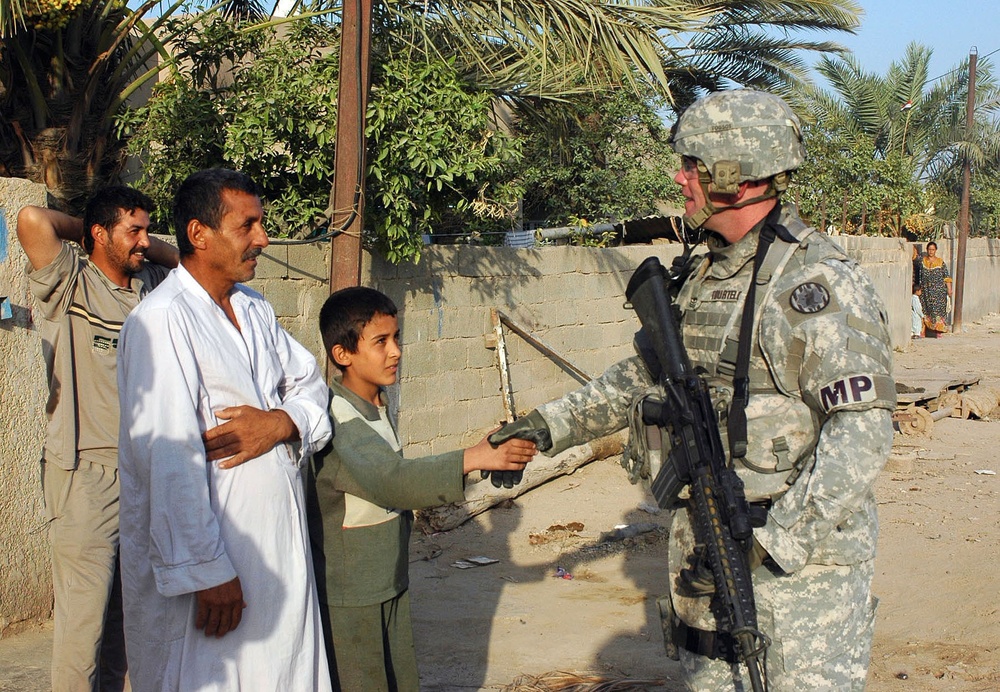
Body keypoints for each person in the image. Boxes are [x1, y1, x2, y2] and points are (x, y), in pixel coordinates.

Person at [491, 89, 896, 691]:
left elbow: (862, 431)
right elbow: (645, 375)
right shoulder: (700, 275)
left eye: (692, 166)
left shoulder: (815, 283)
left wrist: (775, 540)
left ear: (732, 174)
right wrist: (547, 425)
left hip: (799, 572)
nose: (680, 178)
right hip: (705, 547)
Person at [116, 169, 333, 690]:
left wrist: (282, 421)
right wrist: (207, 570)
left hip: (278, 547)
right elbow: (165, 457)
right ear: (199, 234)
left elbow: (311, 386)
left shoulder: (254, 307)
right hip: (217, 570)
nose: (263, 238)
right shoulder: (162, 320)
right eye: (248, 225)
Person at [307, 286, 537, 692]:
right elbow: (392, 481)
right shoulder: (336, 416)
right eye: (380, 342)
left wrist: (485, 456)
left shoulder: (375, 403)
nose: (395, 351)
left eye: (396, 338)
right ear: (342, 354)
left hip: (386, 578)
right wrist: (476, 457)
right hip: (351, 593)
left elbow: (399, 475)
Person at [16, 187, 179, 691]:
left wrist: (139, 243)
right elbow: (31, 219)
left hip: (141, 474)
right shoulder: (71, 283)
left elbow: (185, 258)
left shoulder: (149, 285)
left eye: (147, 230)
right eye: (134, 230)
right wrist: (91, 226)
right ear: (99, 234)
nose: (144, 241)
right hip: (85, 475)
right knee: (81, 630)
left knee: (124, 629)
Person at [919, 241, 953, 337]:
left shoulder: (940, 262)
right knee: (925, 309)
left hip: (938, 292)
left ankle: (938, 332)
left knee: (938, 311)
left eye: (933, 250)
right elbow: (920, 276)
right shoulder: (923, 262)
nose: (931, 251)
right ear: (927, 250)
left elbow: (946, 276)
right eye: (929, 249)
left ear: (936, 250)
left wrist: (949, 289)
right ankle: (923, 331)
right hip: (926, 291)